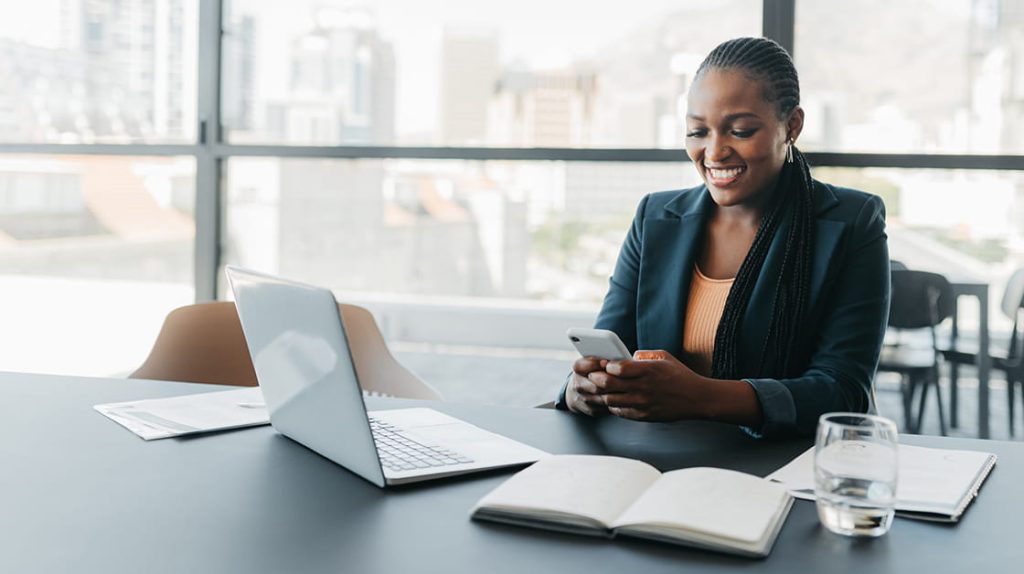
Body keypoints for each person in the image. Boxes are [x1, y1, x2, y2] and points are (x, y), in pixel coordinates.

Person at [554, 37, 890, 437]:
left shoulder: (851, 223)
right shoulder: (656, 218)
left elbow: (843, 391)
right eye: (698, 131)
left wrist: (701, 397)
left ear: (792, 126)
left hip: (780, 465)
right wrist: (583, 387)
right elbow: (612, 346)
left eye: (741, 130)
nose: (714, 152)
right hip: (655, 458)